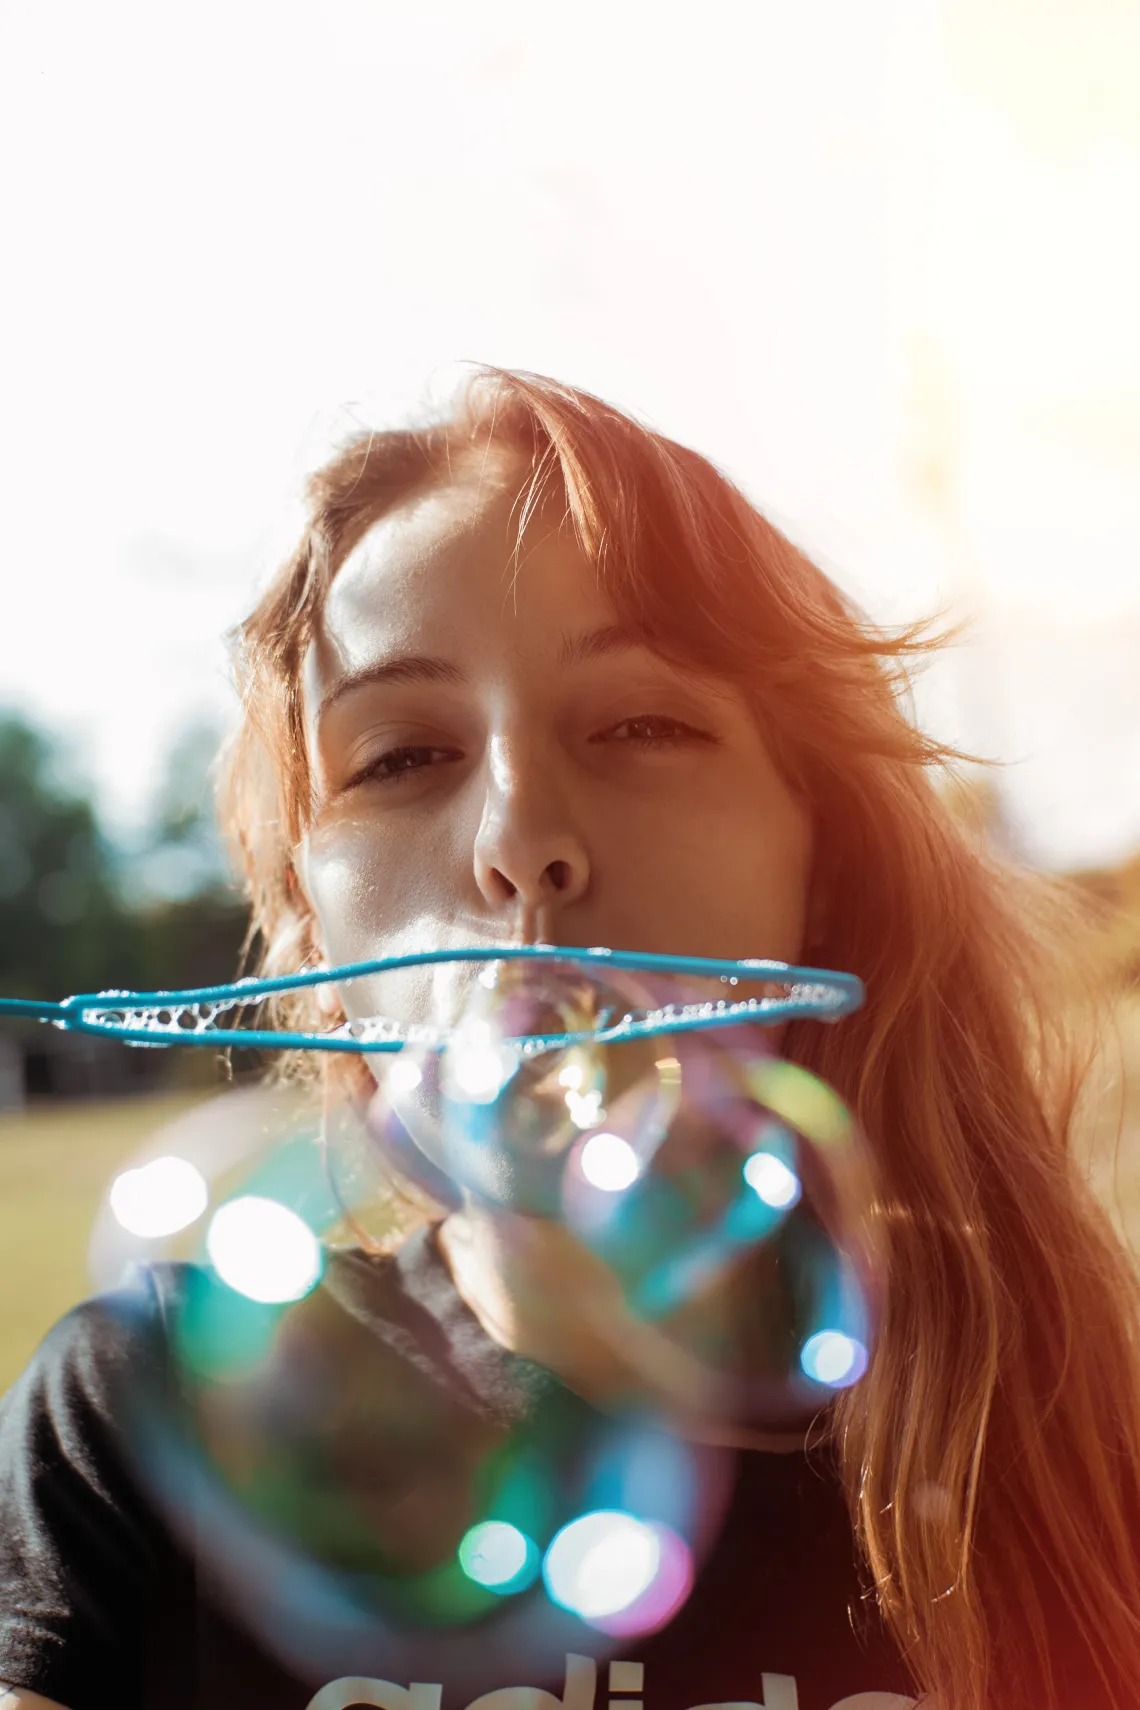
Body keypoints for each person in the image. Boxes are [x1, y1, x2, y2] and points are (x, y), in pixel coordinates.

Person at [2, 368, 1139, 1710]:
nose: (516, 842)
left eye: (640, 722)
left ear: (820, 860)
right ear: (314, 924)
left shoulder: (1074, 1419)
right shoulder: (132, 1417)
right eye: (403, 755)